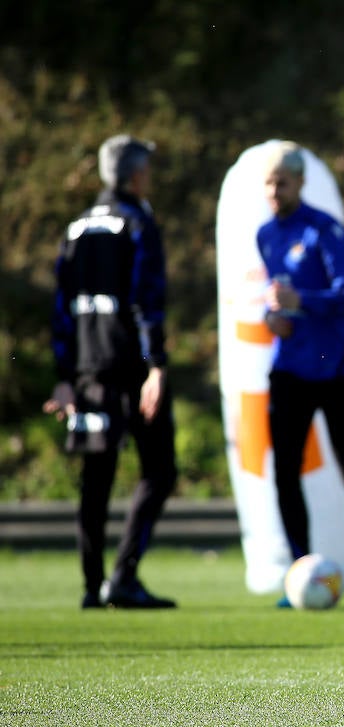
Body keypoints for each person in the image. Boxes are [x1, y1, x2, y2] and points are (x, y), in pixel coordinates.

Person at [256, 142, 344, 610]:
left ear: (300, 182)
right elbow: (276, 297)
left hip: (335, 369)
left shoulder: (324, 230)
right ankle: (300, 571)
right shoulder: (265, 234)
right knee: (284, 473)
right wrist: (273, 318)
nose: (274, 191)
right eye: (268, 183)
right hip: (289, 369)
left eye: (282, 182)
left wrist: (303, 301)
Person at [46, 134, 179, 609]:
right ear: (137, 175)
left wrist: (65, 375)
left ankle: (91, 586)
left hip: (88, 370)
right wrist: (156, 365)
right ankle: (123, 577)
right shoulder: (138, 223)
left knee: (96, 476)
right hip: (131, 368)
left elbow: (61, 307)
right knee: (159, 471)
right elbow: (147, 300)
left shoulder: (77, 227)